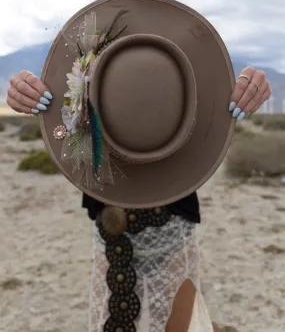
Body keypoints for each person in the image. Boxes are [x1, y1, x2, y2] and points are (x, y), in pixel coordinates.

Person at [6, 64, 272, 332]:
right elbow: (64, 123)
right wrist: (34, 97)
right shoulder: (88, 48)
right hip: (109, 232)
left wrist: (242, 87)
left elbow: (211, 95)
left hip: (172, 228)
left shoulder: (182, 59)